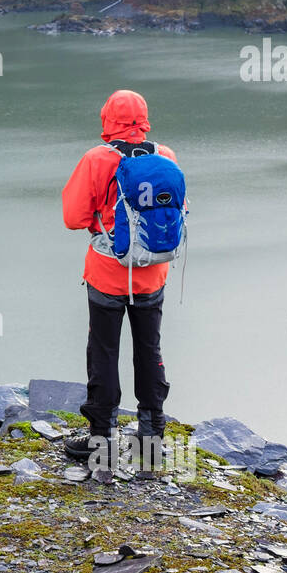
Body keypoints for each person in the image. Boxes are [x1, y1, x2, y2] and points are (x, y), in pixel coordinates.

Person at [60, 89, 178, 472]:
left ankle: (102, 441)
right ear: (144, 118)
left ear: (107, 119)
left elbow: (74, 217)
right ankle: (151, 437)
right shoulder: (166, 156)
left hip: (108, 275)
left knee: (103, 353)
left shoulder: (97, 159)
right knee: (150, 350)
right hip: (152, 275)